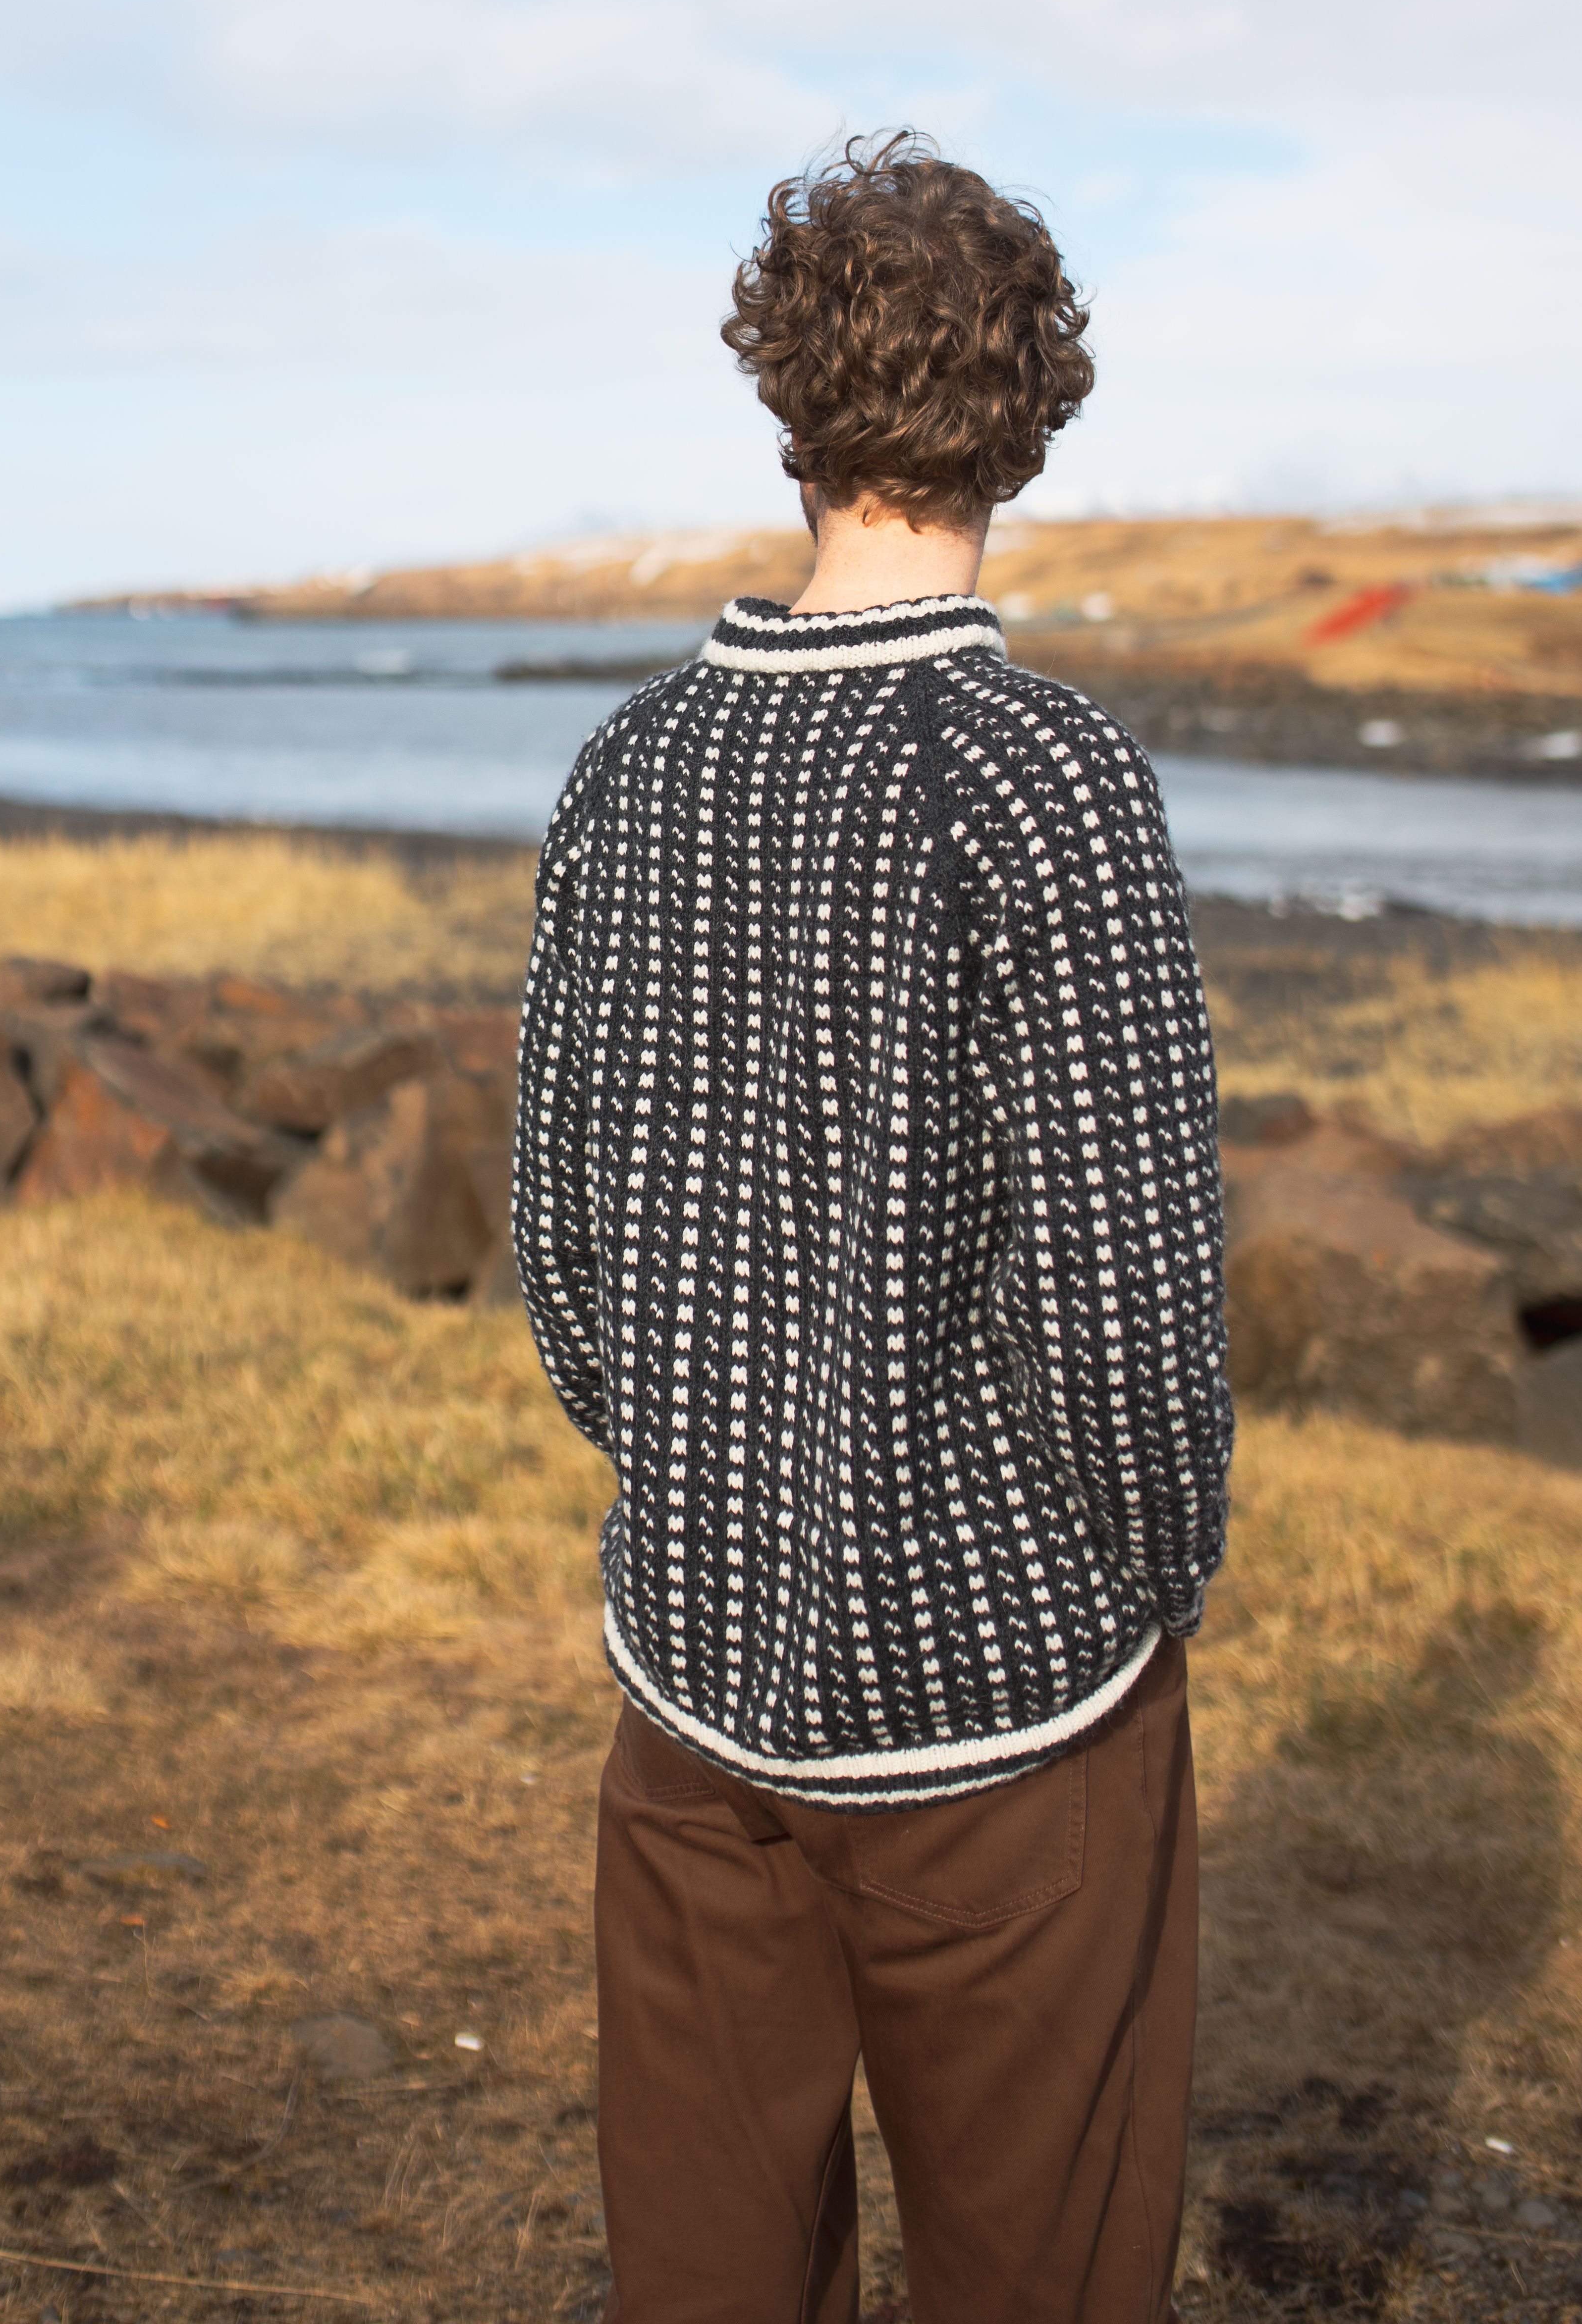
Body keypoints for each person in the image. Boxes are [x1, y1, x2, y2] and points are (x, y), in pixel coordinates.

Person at [512, 135, 1232, 2324]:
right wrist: (1147, 1585)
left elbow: (564, 1265)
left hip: (690, 1690)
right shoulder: (1045, 776)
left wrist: (707, 1480)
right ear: (1028, 414)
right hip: (1005, 1727)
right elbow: (1127, 1313)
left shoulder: (628, 769)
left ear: (789, 405)